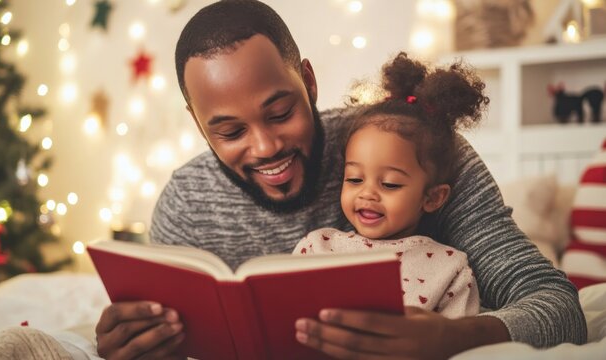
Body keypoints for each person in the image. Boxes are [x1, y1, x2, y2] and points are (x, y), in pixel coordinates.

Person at [95, 1, 587, 359]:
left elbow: (560, 307)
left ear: (308, 81)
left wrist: (456, 337)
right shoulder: (186, 204)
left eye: (280, 111)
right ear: (197, 123)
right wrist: (134, 342)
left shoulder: (416, 150)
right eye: (229, 130)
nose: (265, 147)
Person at [293, 52, 484, 320]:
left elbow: (459, 345)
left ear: (433, 197)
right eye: (355, 179)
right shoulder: (317, 247)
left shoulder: (450, 268)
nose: (367, 193)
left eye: (390, 184)